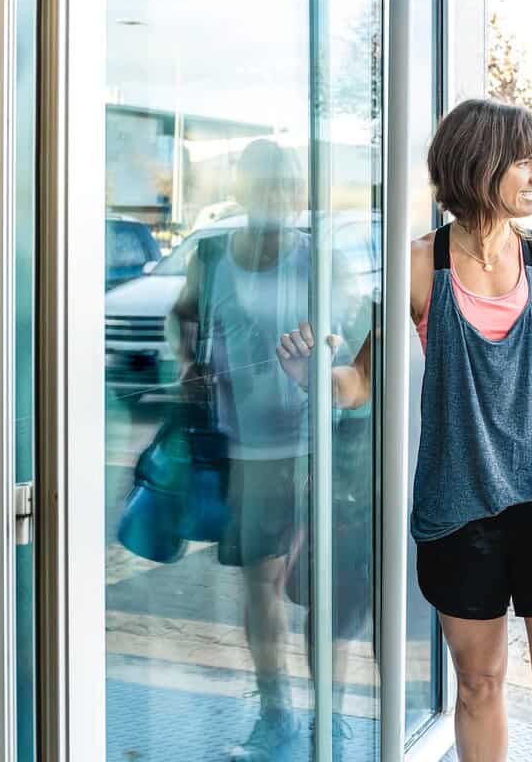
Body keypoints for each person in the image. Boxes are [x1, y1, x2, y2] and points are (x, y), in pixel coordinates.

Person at [276, 98, 532, 761]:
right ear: (481, 164)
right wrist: (311, 376)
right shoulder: (417, 266)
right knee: (478, 686)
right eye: (525, 161)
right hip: (459, 515)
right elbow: (360, 385)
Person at [172, 138, 312, 761]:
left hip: (313, 446)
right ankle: (276, 710)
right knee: (263, 586)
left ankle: (327, 709)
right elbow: (185, 317)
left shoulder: (315, 258)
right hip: (248, 450)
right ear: (244, 190)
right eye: (264, 184)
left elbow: (357, 338)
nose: (276, 196)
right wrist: (191, 364)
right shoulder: (212, 256)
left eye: (285, 185)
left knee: (320, 588)